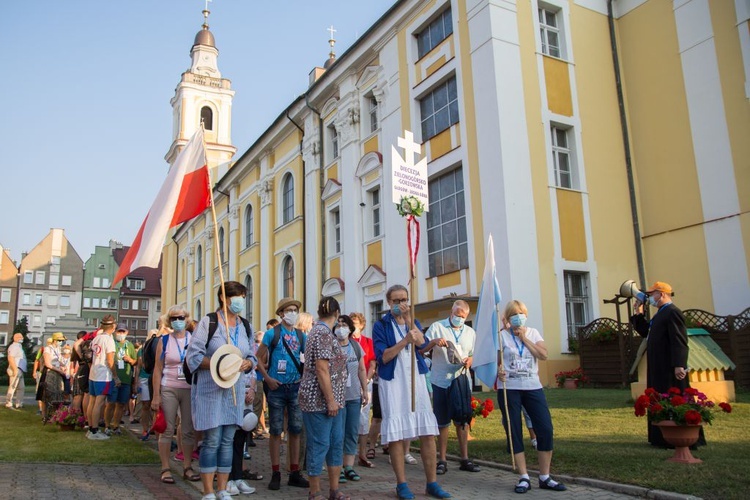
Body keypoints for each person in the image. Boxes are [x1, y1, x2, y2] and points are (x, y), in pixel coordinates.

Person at [373, 284, 450, 500]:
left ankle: (432, 483)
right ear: (389, 303)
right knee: (397, 434)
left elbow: (422, 344)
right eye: (396, 301)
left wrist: (409, 324)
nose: (400, 304)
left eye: (404, 300)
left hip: (415, 378)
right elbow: (383, 356)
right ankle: (402, 484)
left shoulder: (413, 321)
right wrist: (404, 341)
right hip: (394, 381)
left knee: (427, 431)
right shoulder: (380, 325)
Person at [186, 281, 256, 500]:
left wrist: (247, 364)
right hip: (211, 390)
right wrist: (219, 363)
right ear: (225, 299)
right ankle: (208, 491)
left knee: (228, 440)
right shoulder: (210, 322)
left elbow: (251, 355)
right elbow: (193, 356)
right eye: (237, 297)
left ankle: (223, 489)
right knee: (212, 440)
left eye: (243, 297)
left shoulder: (245, 325)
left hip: (233, 391)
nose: (241, 301)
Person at [496, 300, 565, 494]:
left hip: (533, 387)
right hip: (509, 388)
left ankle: (545, 476)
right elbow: (496, 362)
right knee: (515, 430)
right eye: (515, 314)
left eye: (522, 313)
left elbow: (543, 355)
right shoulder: (501, 336)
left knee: (545, 428)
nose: (519, 317)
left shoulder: (533, 333)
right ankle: (524, 476)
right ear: (508, 318)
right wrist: (498, 372)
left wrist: (525, 339)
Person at [630, 281, 702, 448]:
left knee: (673, 397)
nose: (650, 298)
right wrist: (638, 313)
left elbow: (679, 341)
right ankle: (661, 437)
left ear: (661, 294)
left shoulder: (672, 312)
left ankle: (681, 436)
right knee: (658, 397)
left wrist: (679, 364)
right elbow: (645, 332)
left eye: (652, 294)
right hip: (658, 366)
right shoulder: (661, 313)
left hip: (669, 367)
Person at [254, 298, 309, 491]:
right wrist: (267, 378)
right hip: (276, 388)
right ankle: (275, 472)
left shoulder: (302, 336)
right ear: (281, 314)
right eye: (289, 310)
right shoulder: (272, 334)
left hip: (295, 388)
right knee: (276, 431)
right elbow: (257, 358)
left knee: (295, 430)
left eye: (295, 310)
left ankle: (295, 471)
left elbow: (308, 359)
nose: (292, 313)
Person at [298, 296, 349, 500]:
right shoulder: (322, 333)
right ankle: (315, 491)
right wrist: (330, 399)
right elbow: (321, 368)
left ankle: (334, 490)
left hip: (333, 400)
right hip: (319, 400)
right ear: (337, 314)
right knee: (320, 444)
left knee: (335, 443)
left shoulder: (322, 332)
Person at [422, 300, 480, 475]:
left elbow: (473, 354)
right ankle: (442, 459)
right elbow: (422, 349)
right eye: (457, 315)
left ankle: (464, 458)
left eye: (463, 317)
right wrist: (433, 342)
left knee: (462, 419)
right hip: (441, 380)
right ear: (451, 312)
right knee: (442, 421)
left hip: (461, 379)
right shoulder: (437, 327)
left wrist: (470, 360)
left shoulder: (470, 332)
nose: (459, 319)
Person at [152, 307, 200, 485]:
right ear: (169, 321)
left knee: (188, 429)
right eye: (174, 318)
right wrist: (156, 395)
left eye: (181, 317)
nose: (178, 320)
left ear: (186, 319)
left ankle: (187, 466)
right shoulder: (164, 341)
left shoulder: (193, 339)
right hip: (169, 387)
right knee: (167, 429)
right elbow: (157, 369)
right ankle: (165, 468)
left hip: (188, 388)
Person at [335, 314, 369, 484]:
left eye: (344, 324)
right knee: (338, 433)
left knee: (352, 431)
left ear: (350, 328)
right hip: (337, 398)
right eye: (338, 324)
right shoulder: (332, 345)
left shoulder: (355, 346)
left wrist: (365, 390)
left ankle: (349, 466)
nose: (341, 327)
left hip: (354, 395)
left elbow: (362, 369)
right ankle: (337, 467)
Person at [350, 312, 377, 468]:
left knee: (364, 417)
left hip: (365, 382)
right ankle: (348, 455)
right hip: (348, 383)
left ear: (361, 325)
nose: (354, 326)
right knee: (348, 418)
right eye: (351, 323)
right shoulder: (344, 341)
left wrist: (365, 381)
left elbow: (372, 364)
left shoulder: (367, 341)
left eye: (356, 323)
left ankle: (362, 454)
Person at [87, 315, 117, 440]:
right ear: (113, 326)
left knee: (92, 402)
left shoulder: (96, 338)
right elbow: (110, 361)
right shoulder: (109, 340)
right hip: (103, 375)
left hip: (93, 372)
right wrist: (115, 376)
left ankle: (90, 428)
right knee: (99, 403)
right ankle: (95, 430)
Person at [104, 323, 137, 436]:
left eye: (123, 332)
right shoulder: (112, 343)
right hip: (113, 378)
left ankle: (116, 426)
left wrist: (130, 360)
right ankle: (107, 425)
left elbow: (135, 361)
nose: (121, 334)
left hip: (126, 379)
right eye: (119, 331)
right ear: (115, 332)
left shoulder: (130, 345)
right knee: (111, 403)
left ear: (127, 332)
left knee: (121, 404)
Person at [37, 332, 67, 422]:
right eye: (59, 340)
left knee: (58, 394)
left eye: (62, 340)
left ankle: (56, 415)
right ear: (54, 340)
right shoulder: (47, 349)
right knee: (47, 395)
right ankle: (45, 416)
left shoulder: (58, 349)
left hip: (58, 374)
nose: (61, 342)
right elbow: (48, 364)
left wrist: (63, 366)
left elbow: (59, 360)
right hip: (50, 373)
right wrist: (59, 370)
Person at [5, 333, 27, 409]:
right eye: (20, 337)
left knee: (21, 387)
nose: (22, 338)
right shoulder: (14, 346)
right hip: (16, 369)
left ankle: (19, 403)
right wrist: (14, 369)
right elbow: (11, 358)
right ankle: (8, 403)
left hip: (20, 369)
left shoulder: (19, 346)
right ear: (16, 338)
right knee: (13, 386)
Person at [71, 331, 89, 412]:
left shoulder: (75, 348)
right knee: (83, 395)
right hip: (85, 370)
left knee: (77, 395)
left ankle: (74, 416)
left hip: (79, 370)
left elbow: (73, 362)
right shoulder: (83, 347)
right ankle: (82, 417)